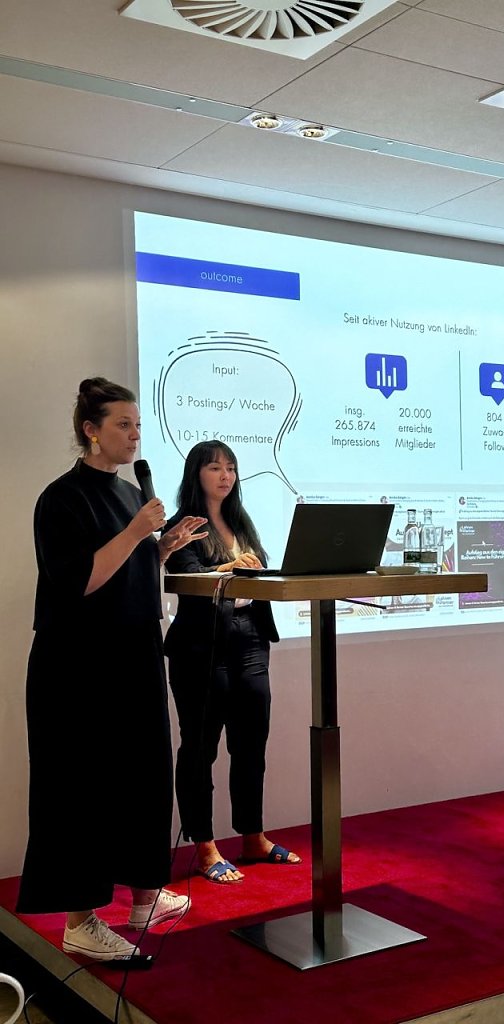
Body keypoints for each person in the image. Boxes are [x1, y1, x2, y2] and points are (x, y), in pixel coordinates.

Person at [17, 378, 207, 961]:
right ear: (90, 431)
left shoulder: (130, 495)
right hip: (78, 668)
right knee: (82, 788)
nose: (134, 435)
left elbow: (128, 570)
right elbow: (80, 580)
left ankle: (145, 897)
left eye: (138, 425)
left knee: (144, 777)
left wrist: (162, 548)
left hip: (134, 657)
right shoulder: (62, 498)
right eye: (123, 424)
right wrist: (137, 532)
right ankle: (81, 921)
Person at [163, 441, 300, 885]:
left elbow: (255, 574)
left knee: (251, 744)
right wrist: (230, 569)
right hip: (202, 645)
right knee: (200, 748)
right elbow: (184, 578)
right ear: (195, 474)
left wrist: (249, 568)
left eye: (231, 468)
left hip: (250, 637)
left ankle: (253, 837)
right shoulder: (182, 526)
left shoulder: (241, 520)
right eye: (215, 468)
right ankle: (204, 846)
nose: (225, 476)